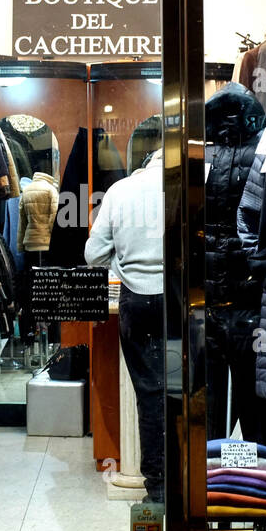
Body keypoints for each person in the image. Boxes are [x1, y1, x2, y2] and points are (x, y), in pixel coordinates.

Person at [85, 149, 165, 503]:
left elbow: (94, 254)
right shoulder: (189, 184)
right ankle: (187, 482)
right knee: (185, 394)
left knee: (149, 396)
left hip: (136, 301)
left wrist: (124, 265)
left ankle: (157, 487)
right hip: (179, 301)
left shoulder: (120, 190)